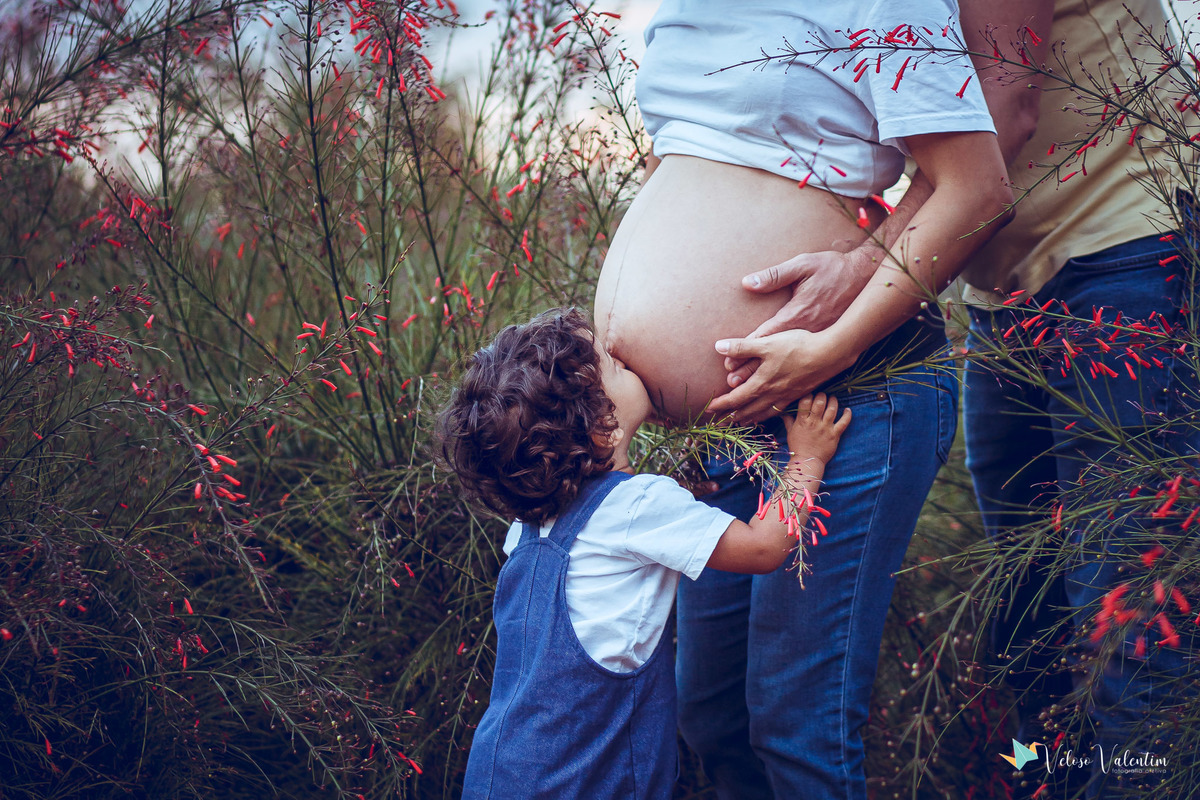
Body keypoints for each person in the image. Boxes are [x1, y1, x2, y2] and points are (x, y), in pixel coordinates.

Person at [727, 1, 1192, 796]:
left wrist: (861, 275)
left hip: (1123, 253)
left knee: (1127, 626)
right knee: (1030, 616)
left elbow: (1003, 113)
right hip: (1005, 293)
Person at [592, 2, 1011, 797]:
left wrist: (834, 343)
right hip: (728, 428)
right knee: (710, 714)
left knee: (797, 727)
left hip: (846, 396)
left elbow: (978, 188)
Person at [439, 308, 850, 799]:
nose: (624, 357)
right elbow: (763, 547)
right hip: (587, 778)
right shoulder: (638, 506)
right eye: (614, 366)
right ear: (604, 427)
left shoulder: (525, 531)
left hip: (505, 771)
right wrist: (807, 457)